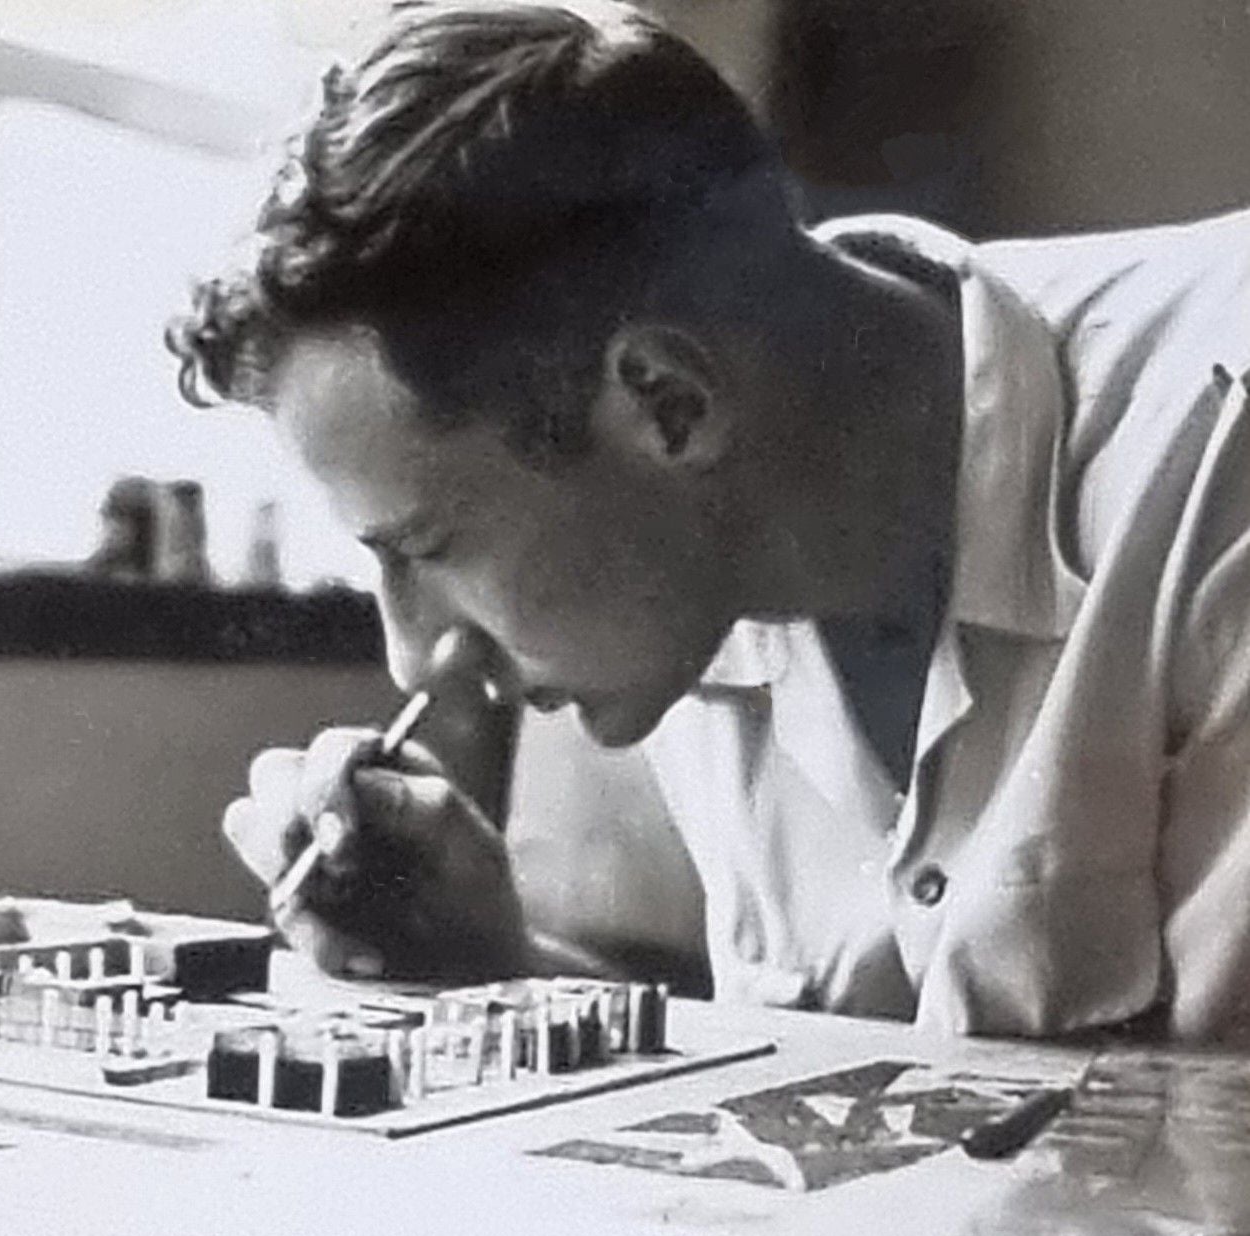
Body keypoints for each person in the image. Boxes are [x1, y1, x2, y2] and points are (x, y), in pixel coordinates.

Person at [167, 0, 1250, 1041]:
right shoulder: (691, 548)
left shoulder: (1219, 450)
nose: (417, 661)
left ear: (666, 404)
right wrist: (494, 968)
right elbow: (864, 1096)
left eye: (430, 546)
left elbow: (1213, 1170)